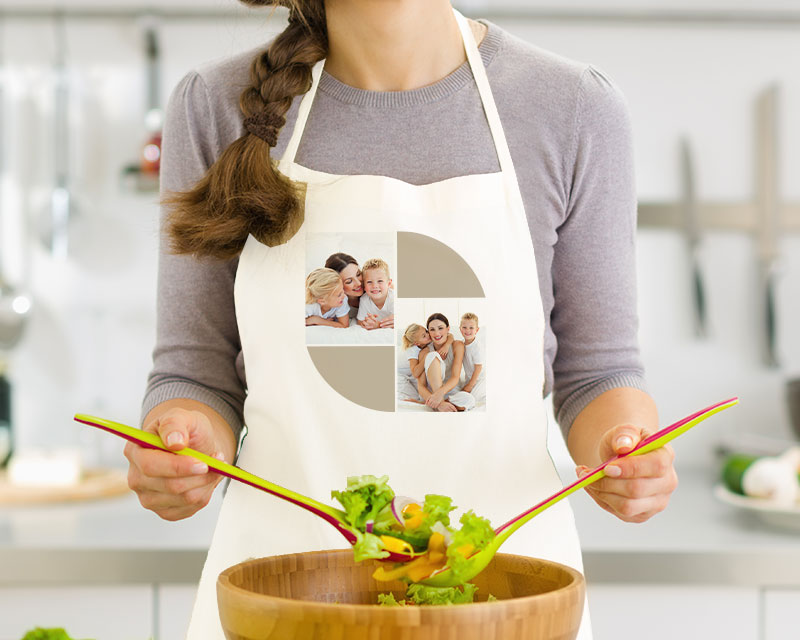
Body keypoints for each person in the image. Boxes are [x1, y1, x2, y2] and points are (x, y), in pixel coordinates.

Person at [126, 2, 678, 638]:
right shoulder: (214, 105)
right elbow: (195, 373)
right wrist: (185, 447)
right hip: (282, 599)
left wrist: (625, 450)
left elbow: (598, 373)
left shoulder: (573, 106)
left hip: (503, 601)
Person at [419, 313, 474, 412]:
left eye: (440, 328)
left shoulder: (457, 345)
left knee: (469, 400)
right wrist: (437, 399)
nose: (437, 333)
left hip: (449, 392)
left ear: (448, 329)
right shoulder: (425, 352)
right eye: (432, 330)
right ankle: (440, 404)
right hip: (431, 393)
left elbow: (455, 377)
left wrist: (440, 394)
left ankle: (438, 404)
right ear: (429, 332)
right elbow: (421, 386)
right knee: (433, 355)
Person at [356, 258, 394, 330]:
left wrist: (378, 325)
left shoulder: (393, 298)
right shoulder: (364, 300)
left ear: (389, 283)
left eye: (380, 281)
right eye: (369, 282)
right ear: (363, 286)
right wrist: (367, 323)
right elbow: (360, 322)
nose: (375, 286)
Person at [324, 252, 362, 318]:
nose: (359, 283)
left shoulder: (375, 287)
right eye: (349, 281)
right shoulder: (334, 304)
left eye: (358, 274)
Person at [459, 312, 485, 404]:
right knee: (460, 394)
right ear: (460, 329)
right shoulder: (461, 344)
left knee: (468, 399)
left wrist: (470, 385)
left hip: (479, 379)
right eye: (464, 327)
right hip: (469, 378)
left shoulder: (476, 346)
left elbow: (478, 367)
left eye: (471, 328)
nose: (467, 330)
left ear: (477, 330)